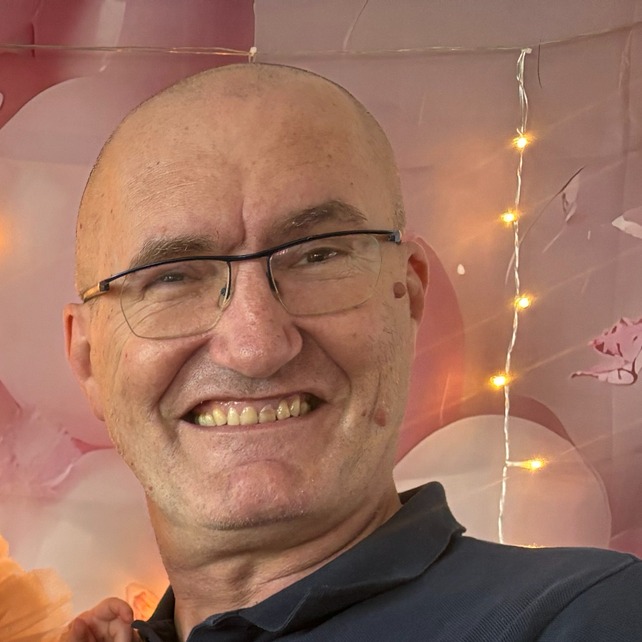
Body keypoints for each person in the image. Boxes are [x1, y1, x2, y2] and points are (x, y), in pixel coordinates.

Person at [62, 63, 642, 642]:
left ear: (409, 296)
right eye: (171, 277)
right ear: (87, 359)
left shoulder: (593, 614)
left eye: (319, 256)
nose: (256, 346)